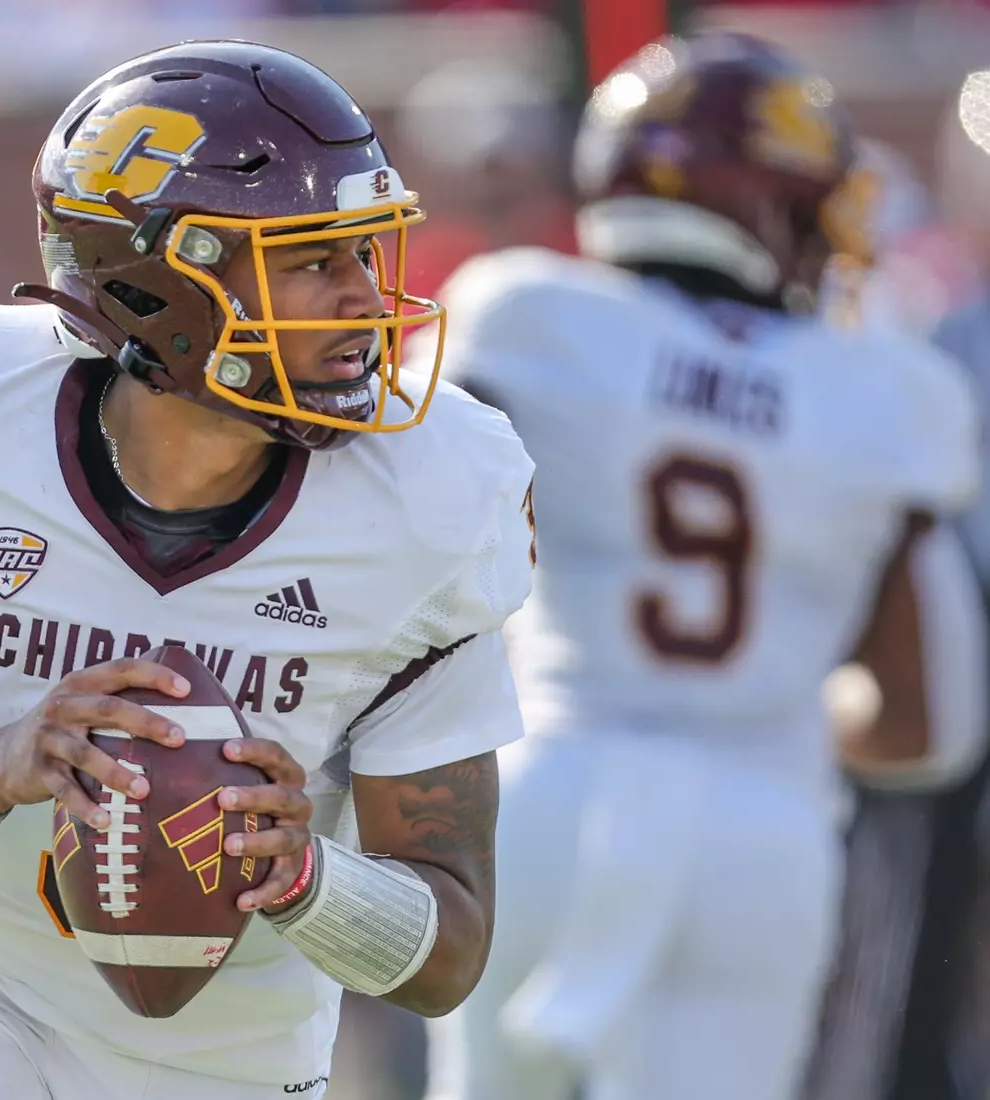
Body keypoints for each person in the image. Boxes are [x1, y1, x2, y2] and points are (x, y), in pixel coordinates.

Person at [0, 39, 537, 1100]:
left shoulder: (429, 496)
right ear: (159, 283)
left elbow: (450, 954)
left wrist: (309, 875)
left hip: (236, 1059)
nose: (367, 301)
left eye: (367, 255)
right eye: (315, 259)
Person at [417, 32, 986, 1100]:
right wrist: (754, 711)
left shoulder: (528, 315)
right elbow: (929, 726)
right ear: (769, 202)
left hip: (552, 783)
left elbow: (412, 547)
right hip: (757, 825)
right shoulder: (876, 389)